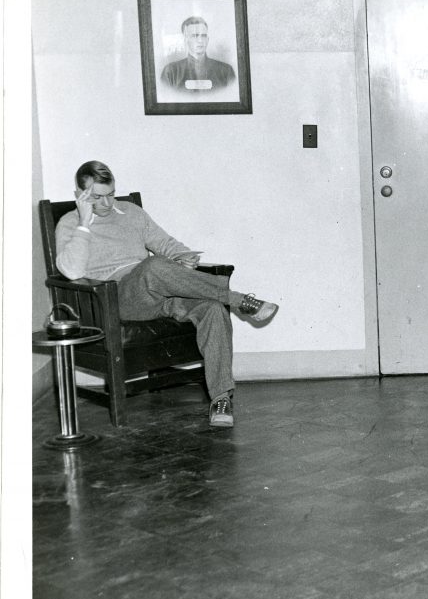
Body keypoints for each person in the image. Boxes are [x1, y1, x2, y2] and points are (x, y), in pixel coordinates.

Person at [55, 161, 279, 428]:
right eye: (96, 197)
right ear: (78, 195)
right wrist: (84, 223)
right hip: (118, 298)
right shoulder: (69, 224)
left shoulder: (131, 213)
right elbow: (70, 270)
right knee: (153, 266)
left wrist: (184, 258)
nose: (106, 203)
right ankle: (240, 300)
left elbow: (166, 244)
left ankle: (221, 398)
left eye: (111, 194)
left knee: (212, 308)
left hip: (158, 293)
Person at [160, 16, 237, 91]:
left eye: (203, 36)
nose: (200, 40)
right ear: (185, 40)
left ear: (207, 40)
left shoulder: (226, 71)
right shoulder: (171, 72)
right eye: (194, 36)